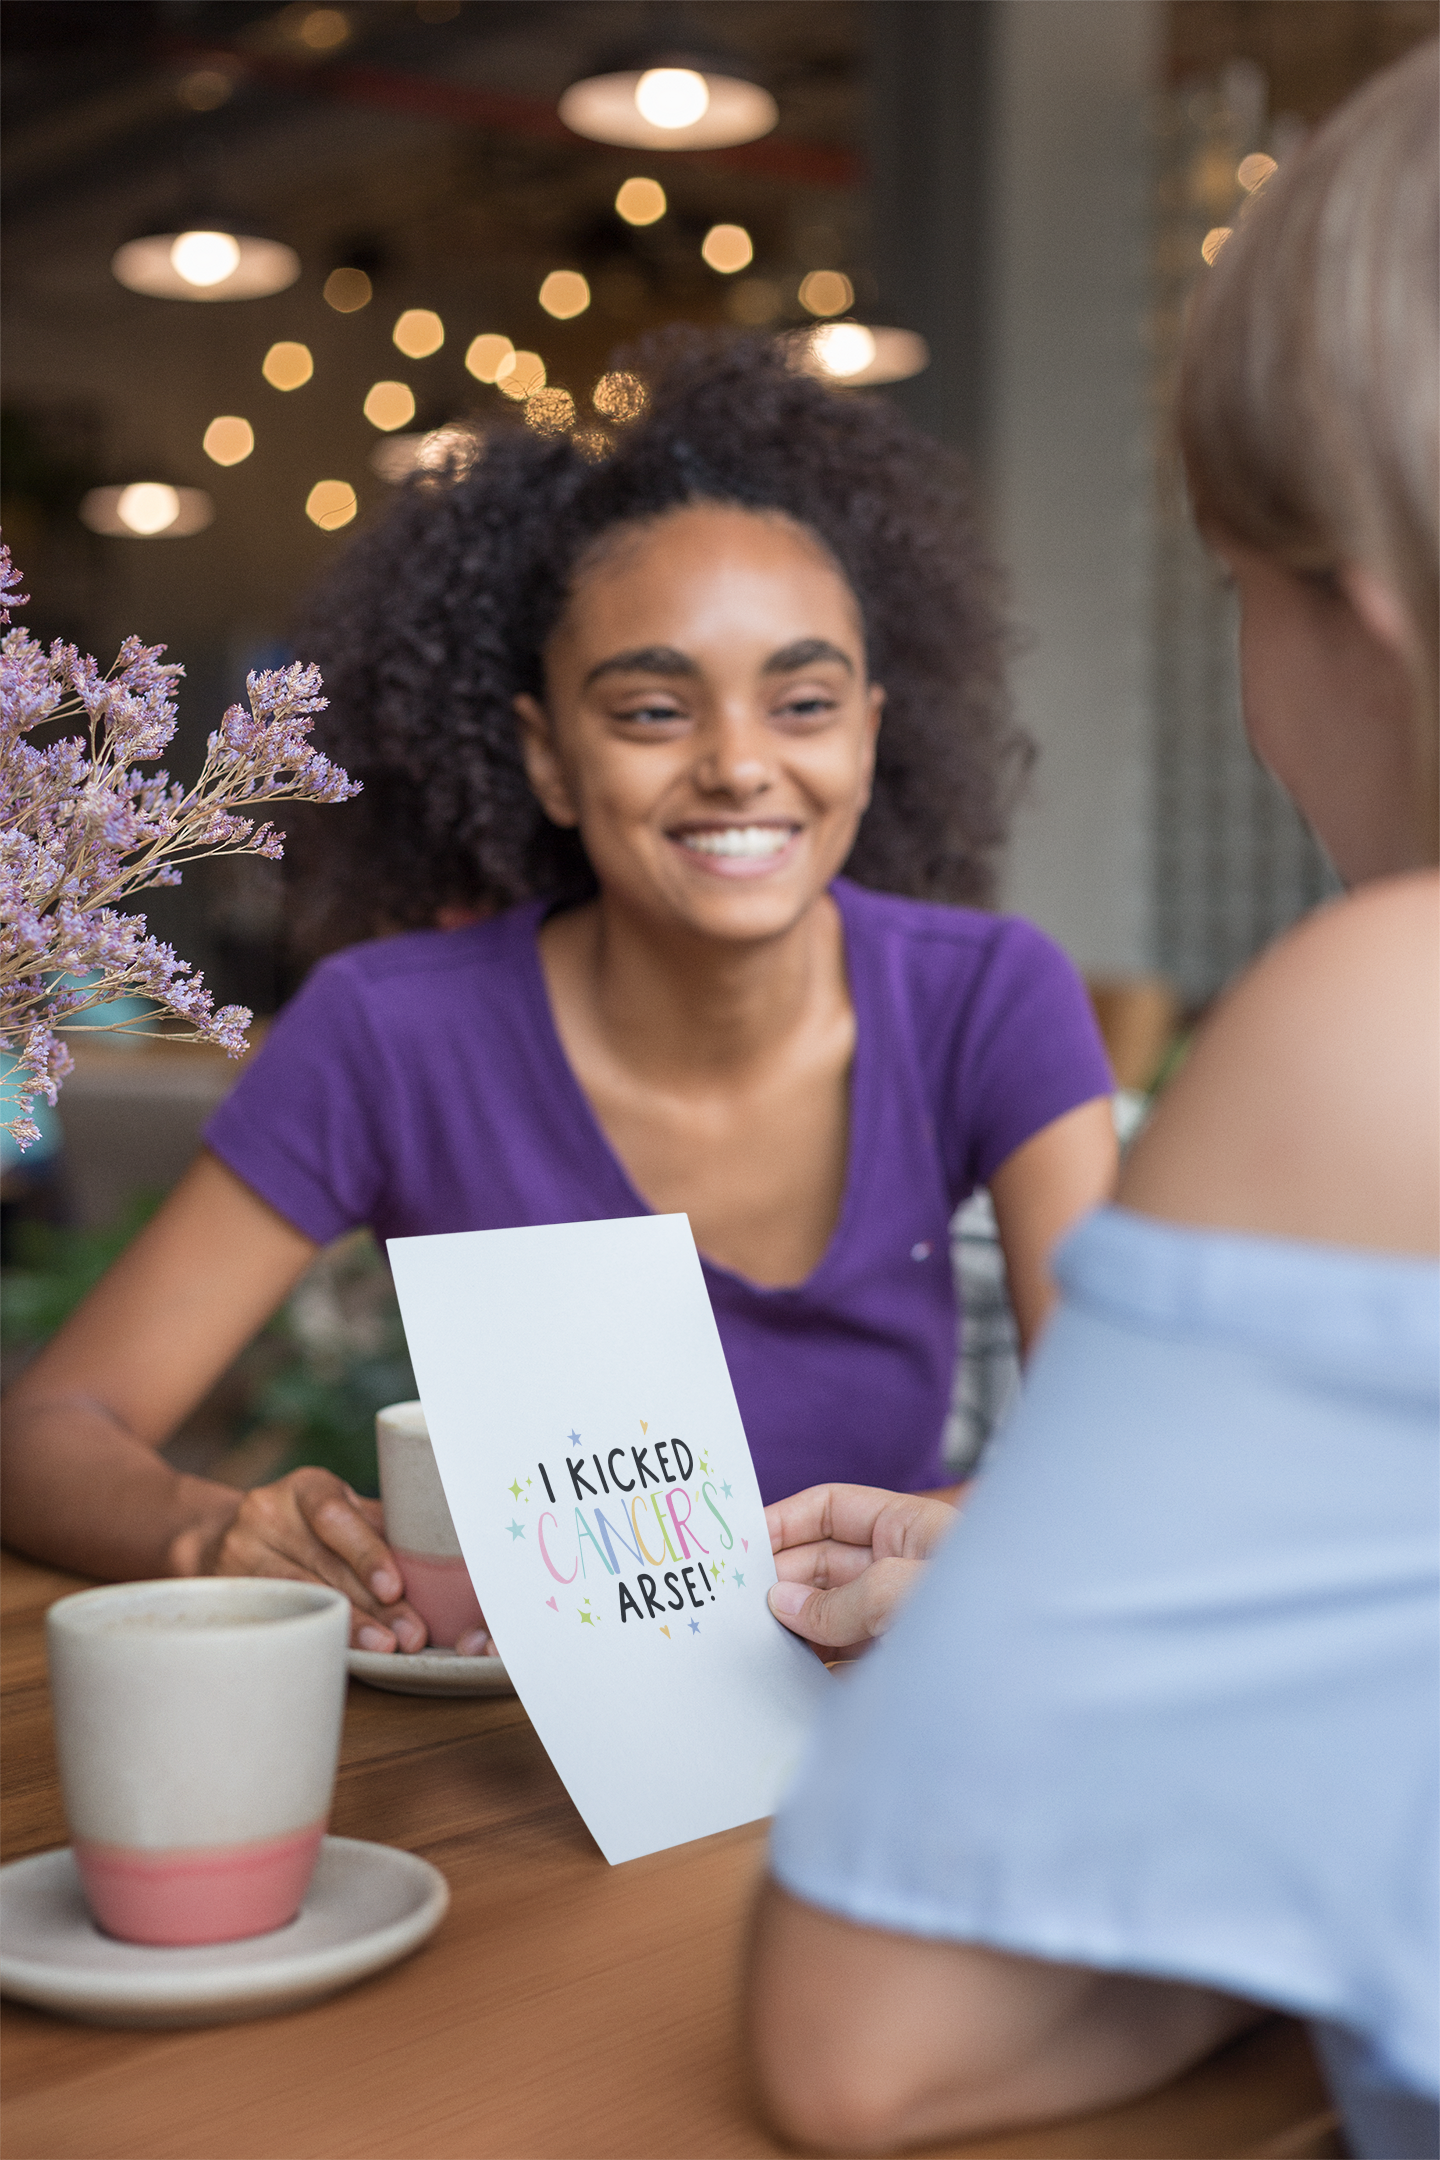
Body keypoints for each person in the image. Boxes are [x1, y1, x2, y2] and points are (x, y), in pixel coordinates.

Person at [1, 335, 1116, 1655]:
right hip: (526, 1761)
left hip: (878, 1702)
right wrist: (214, 1532)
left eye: (803, 702)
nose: (740, 764)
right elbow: (50, 1435)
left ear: (872, 728)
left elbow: (1122, 1454)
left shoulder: (988, 1000)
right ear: (546, 756)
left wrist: (979, 1547)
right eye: (653, 711)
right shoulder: (393, 1033)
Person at [747, 43, 1438, 2160]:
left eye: (1241, 587)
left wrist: (1068, 1628)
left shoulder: (1376, 1028)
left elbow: (866, 2049)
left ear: (1376, 608)